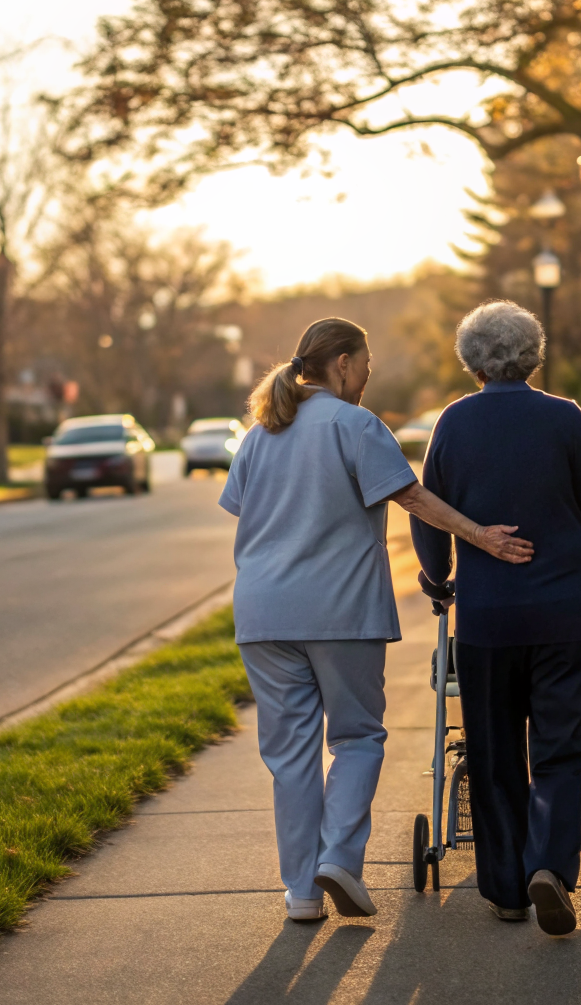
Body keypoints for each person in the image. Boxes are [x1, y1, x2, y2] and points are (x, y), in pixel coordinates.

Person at [219, 316, 535, 923]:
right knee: (358, 737)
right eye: (365, 362)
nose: (368, 374)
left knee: (289, 756)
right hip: (338, 611)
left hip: (262, 614)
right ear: (341, 363)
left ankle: (302, 895)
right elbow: (412, 497)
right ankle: (338, 857)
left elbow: (244, 510)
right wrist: (481, 537)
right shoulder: (355, 424)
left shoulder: (262, 431)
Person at [411, 300, 581, 936]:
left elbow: (431, 507)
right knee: (563, 748)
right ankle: (551, 870)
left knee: (494, 751)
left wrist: (438, 578)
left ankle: (507, 888)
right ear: (533, 354)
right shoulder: (564, 418)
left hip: (487, 620)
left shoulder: (453, 422)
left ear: (472, 361)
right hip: (566, 613)